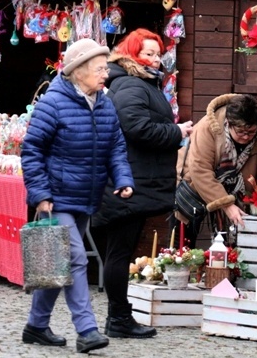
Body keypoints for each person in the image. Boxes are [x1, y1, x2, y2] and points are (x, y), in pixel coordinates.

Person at [21, 38, 134, 354]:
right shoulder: (52, 104)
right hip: (57, 198)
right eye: (99, 69)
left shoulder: (104, 103)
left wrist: (123, 179)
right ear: (79, 71)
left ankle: (36, 326)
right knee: (73, 258)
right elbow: (31, 151)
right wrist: (41, 195)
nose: (105, 75)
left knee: (57, 262)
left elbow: (115, 147)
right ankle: (87, 330)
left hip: (86, 196)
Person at [92, 28, 193, 339]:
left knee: (120, 250)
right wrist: (177, 133)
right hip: (127, 182)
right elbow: (136, 128)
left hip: (132, 179)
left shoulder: (137, 82)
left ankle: (119, 317)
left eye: (156, 53)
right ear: (131, 53)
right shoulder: (131, 84)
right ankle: (118, 319)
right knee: (119, 251)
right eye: (147, 53)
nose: (153, 58)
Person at [172, 94, 257, 247]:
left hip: (239, 193)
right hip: (194, 183)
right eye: (240, 132)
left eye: (251, 132)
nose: (246, 137)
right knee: (182, 243)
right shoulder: (208, 127)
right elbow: (200, 170)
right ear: (228, 123)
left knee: (237, 243)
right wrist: (226, 204)